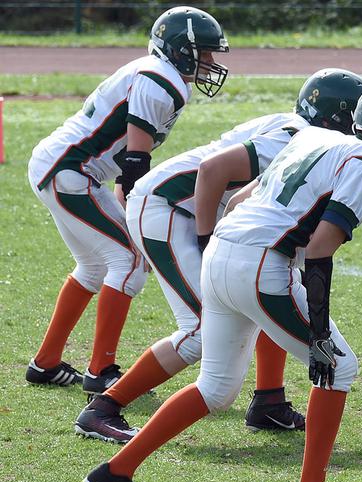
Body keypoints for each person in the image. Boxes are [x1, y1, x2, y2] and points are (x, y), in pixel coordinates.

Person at [81, 80, 362, 482]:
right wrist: (319, 331)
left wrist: (230, 253)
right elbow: (322, 247)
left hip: (223, 252)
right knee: (339, 366)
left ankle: (116, 472)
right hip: (261, 264)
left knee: (214, 389)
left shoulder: (312, 136)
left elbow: (242, 199)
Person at [73, 69, 362, 443]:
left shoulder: (301, 133)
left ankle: (269, 401)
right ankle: (104, 407)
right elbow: (213, 171)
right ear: (335, 117)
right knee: (200, 329)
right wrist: (206, 239)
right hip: (168, 209)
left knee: (272, 286)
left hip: (193, 211)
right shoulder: (296, 136)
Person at [25, 6, 229, 394]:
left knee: (94, 266)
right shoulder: (160, 80)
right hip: (72, 170)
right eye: (204, 52)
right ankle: (101, 370)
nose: (210, 61)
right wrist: (136, 219)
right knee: (130, 260)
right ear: (180, 49)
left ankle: (46, 363)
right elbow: (135, 160)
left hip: (66, 167)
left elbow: (126, 163)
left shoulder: (158, 74)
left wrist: (128, 209)